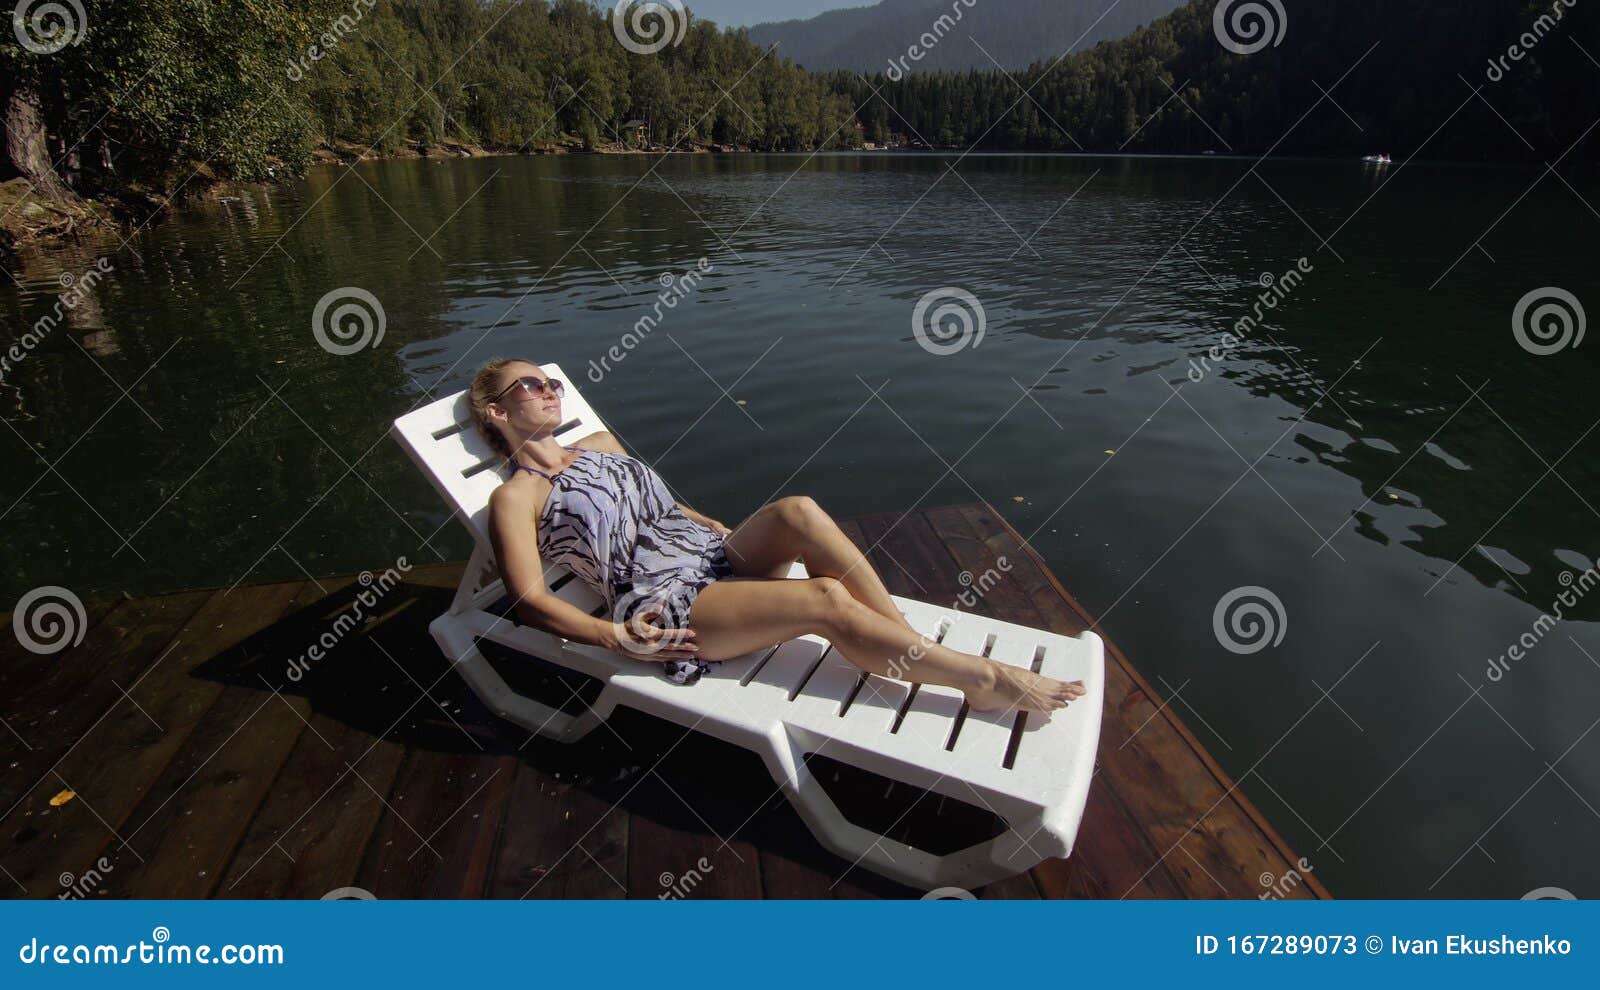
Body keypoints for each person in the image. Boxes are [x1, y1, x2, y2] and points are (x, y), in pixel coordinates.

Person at [470, 358, 1085, 714]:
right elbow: (528, 600)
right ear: (497, 412)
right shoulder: (517, 497)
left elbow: (658, 504)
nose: (550, 390)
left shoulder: (599, 445)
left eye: (552, 381)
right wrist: (615, 637)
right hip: (666, 602)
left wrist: (707, 522)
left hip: (708, 553)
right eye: (531, 385)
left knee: (798, 510)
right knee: (824, 600)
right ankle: (978, 680)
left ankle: (903, 637)